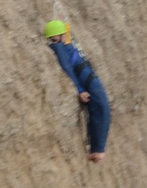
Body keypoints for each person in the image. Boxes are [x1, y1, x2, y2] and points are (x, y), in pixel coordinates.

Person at [44, 20, 111, 162]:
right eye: (54, 40)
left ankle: (96, 149)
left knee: (99, 109)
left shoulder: (67, 42)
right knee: (101, 109)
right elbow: (67, 67)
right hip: (87, 78)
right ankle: (97, 151)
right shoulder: (59, 47)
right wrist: (80, 89)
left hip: (88, 76)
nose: (55, 42)